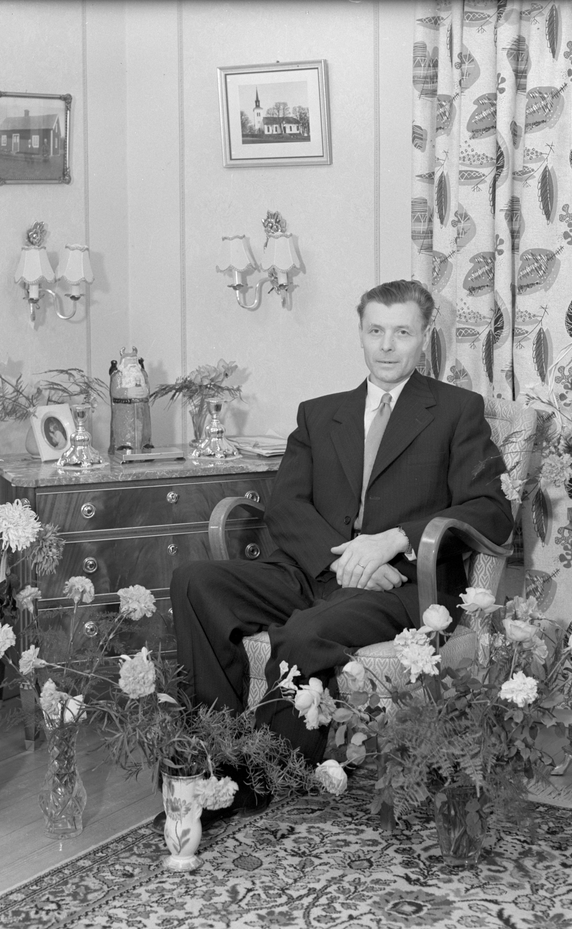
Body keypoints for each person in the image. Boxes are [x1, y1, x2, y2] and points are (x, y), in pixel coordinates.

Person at [170, 279, 513, 808]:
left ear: (425, 337)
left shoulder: (456, 410)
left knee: (305, 633)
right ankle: (217, 754)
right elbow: (286, 506)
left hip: (403, 586)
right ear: (360, 332)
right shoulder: (319, 413)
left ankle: (263, 778)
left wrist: (392, 541)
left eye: (402, 332)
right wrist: (346, 559)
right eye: (375, 331)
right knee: (194, 582)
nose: (387, 346)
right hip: (311, 571)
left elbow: (491, 510)